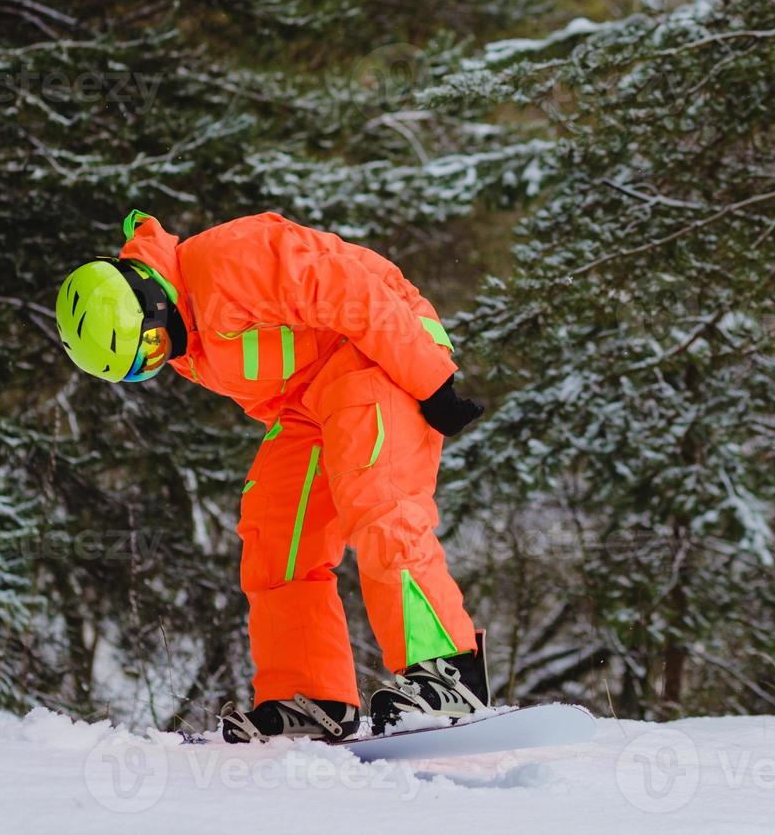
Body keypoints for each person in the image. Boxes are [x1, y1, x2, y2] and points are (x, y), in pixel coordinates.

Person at [55, 210, 489, 742]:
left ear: (149, 296)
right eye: (141, 368)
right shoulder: (183, 335)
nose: (157, 361)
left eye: (148, 348)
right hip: (310, 401)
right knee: (276, 537)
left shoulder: (226, 264)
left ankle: (445, 675)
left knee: (379, 505)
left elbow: (351, 291)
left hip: (376, 355)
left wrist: (431, 382)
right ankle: (308, 695)